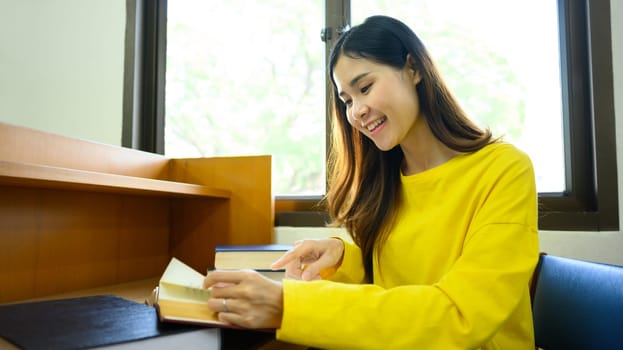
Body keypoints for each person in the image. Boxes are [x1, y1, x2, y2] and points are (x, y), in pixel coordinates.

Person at [203, 15, 539, 349]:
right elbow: (390, 288)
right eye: (347, 100)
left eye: (365, 88)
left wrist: (287, 305)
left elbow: (459, 316)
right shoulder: (386, 180)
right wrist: (342, 257)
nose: (356, 112)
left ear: (413, 69)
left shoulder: (504, 170)